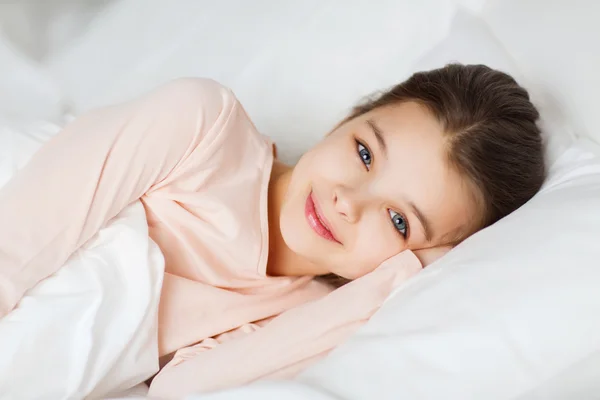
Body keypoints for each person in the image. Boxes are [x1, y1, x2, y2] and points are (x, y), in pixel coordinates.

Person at [0, 64, 545, 392]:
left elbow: (178, 391)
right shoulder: (203, 129)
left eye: (399, 220)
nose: (347, 202)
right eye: (363, 152)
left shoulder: (302, 314)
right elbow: (15, 241)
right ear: (346, 119)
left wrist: (392, 284)